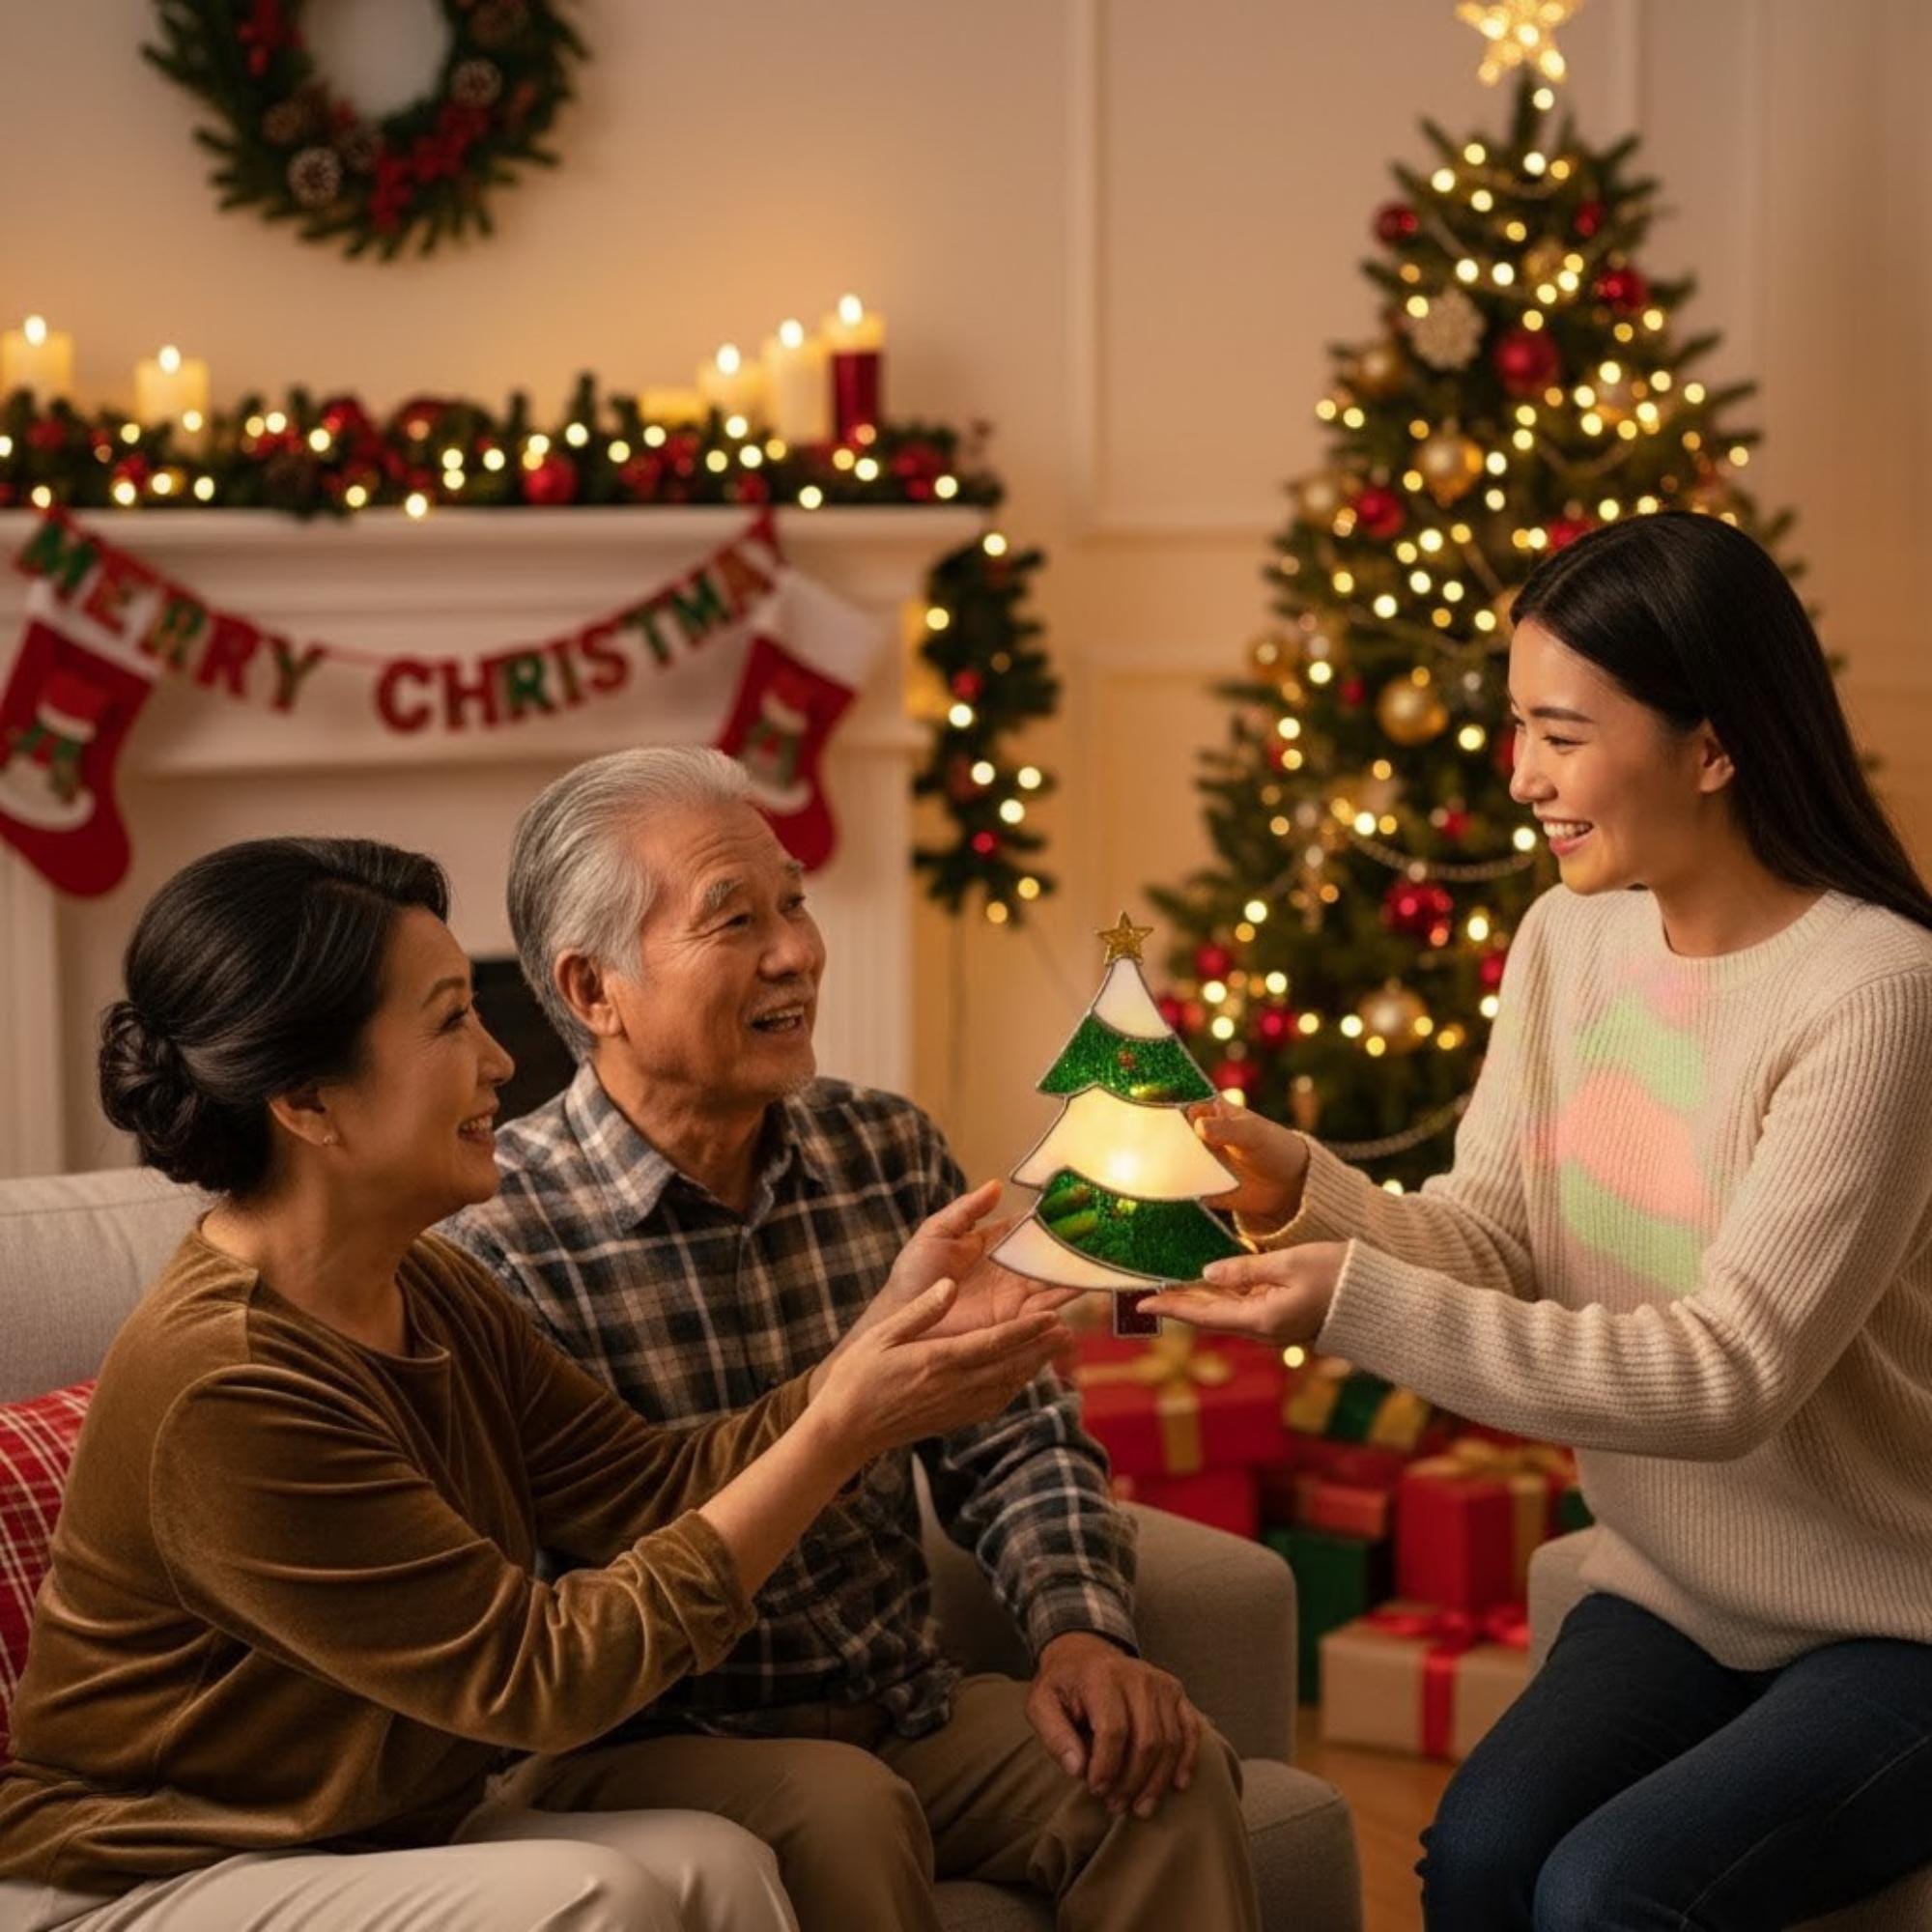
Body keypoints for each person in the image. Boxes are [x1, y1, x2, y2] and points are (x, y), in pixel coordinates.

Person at [0, 837, 1066, 1932]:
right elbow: (541, 1675)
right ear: (310, 1102)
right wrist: (837, 1431)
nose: (503, 1059)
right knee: (600, 1896)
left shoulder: (426, 1287)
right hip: (140, 1873)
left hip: (371, 1831)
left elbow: (652, 1487)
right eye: (450, 1019)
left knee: (723, 1862)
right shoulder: (225, 1382)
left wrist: (874, 1347)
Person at [1142, 511, 1932, 1930]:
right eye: (1517, 728)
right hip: (1679, 1587)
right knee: (1484, 1859)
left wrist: (1347, 1303)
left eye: (1560, 735)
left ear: (1712, 745)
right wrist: (1301, 1190)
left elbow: (1728, 1375)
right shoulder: (1571, 939)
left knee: (1607, 1894)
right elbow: (1499, 1240)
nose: (1521, 780)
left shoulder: (1876, 996)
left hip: (1899, 1621)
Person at [442, 747, 1260, 1932]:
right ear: (592, 989)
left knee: (1160, 1775)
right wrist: (846, 1404)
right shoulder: (495, 1239)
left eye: (794, 901)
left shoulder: (882, 1148)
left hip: (898, 1702)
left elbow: (1016, 1437)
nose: (795, 951)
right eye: (733, 919)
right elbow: (551, 1605)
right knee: (842, 1808)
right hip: (641, 1749)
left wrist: (1078, 1626)